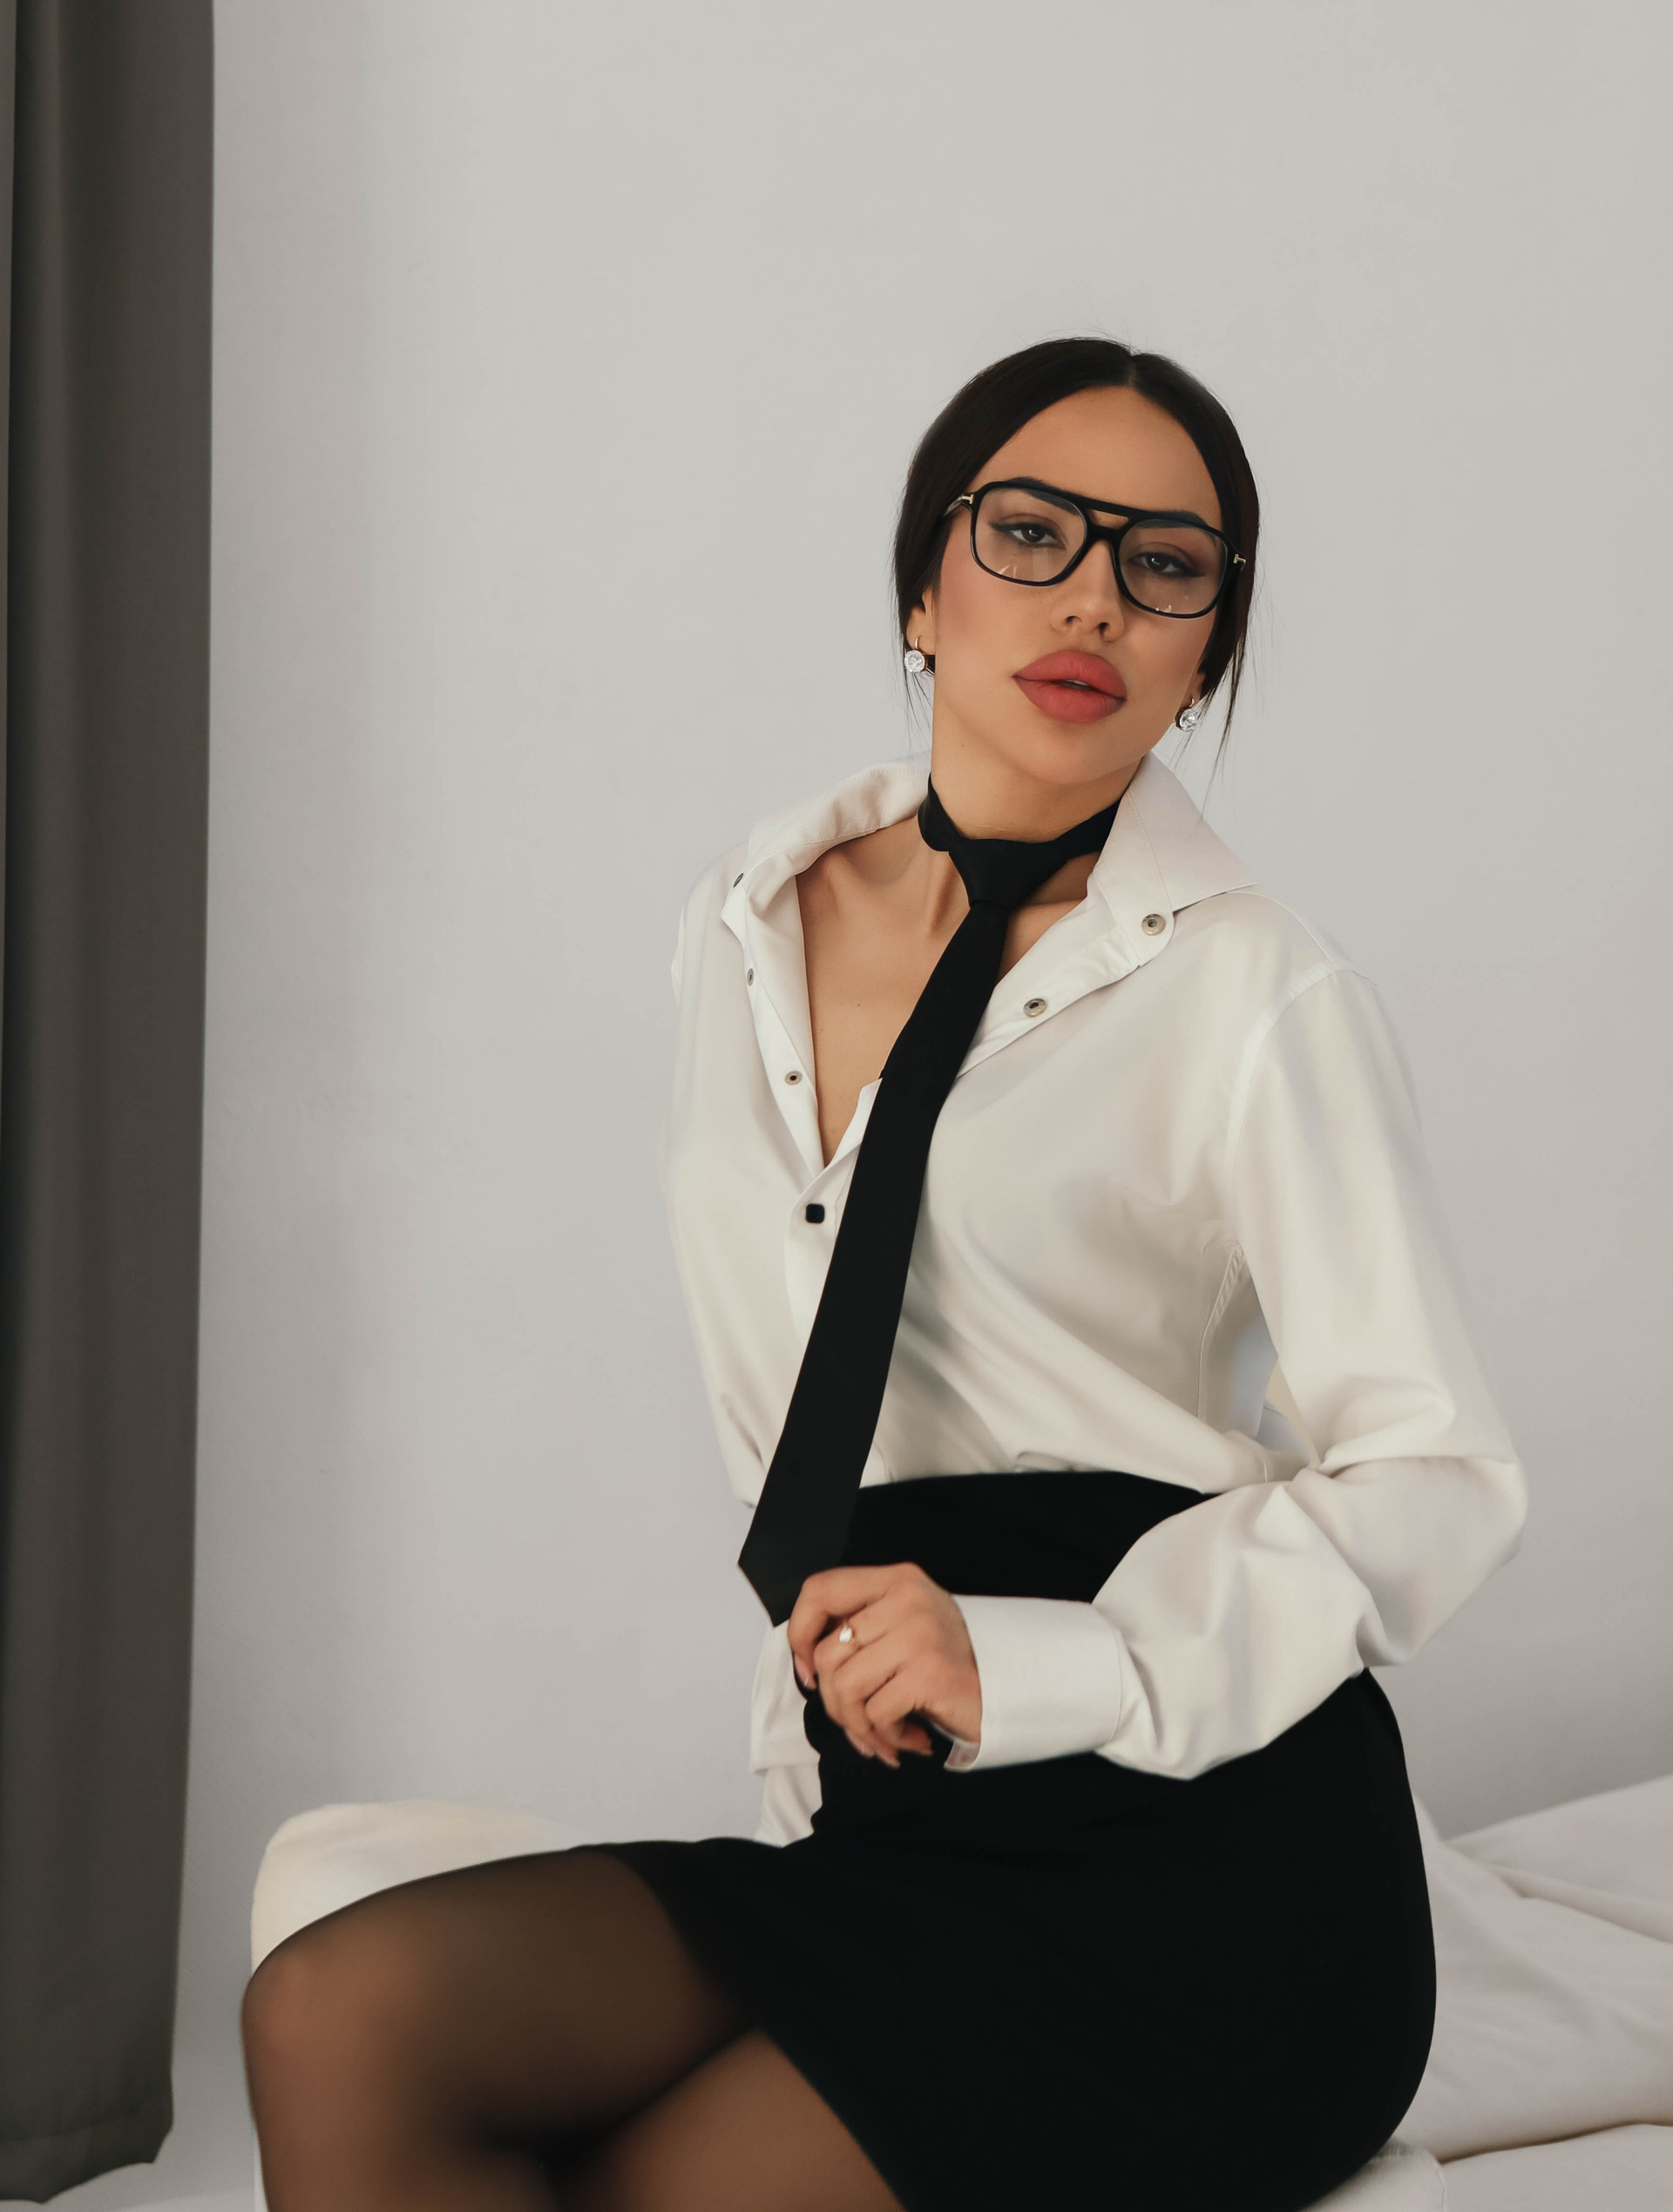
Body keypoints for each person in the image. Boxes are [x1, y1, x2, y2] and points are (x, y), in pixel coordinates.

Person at [241, 336, 1526, 2212]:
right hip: (900, 1798)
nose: (1094, 596)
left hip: (1210, 1857)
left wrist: (1052, 1658)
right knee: (339, 2011)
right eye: (1033, 532)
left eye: (1167, 565)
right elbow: (799, 1405)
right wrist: (821, 1746)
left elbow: (1436, 1475)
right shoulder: (746, 922)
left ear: (1204, 653)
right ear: (924, 589)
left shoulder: (1257, 988)